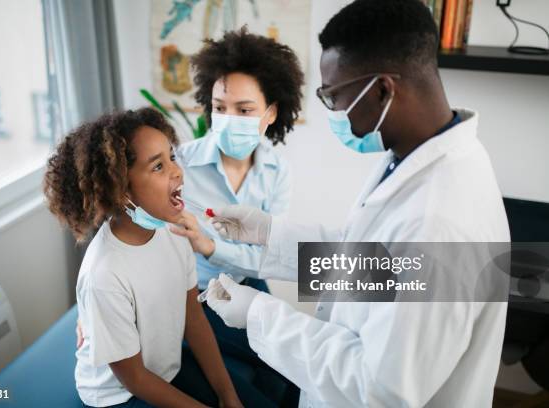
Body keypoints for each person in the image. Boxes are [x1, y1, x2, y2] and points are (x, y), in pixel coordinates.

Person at [203, 0, 510, 406]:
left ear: (383, 89)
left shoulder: (438, 223)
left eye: (334, 97)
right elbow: (378, 270)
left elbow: (381, 390)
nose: (334, 112)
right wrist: (268, 234)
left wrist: (259, 314)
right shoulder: (412, 157)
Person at [44, 108, 273, 407]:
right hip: (120, 395)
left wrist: (228, 395)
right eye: (157, 167)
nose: (177, 171)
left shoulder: (174, 233)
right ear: (119, 189)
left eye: (172, 158)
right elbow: (135, 379)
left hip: (165, 368)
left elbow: (194, 317)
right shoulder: (105, 274)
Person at [168, 27, 304, 405]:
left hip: (249, 281)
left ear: (271, 113)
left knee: (295, 375)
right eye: (219, 107)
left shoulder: (277, 172)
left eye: (244, 110)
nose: (229, 119)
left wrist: (214, 247)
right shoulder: (180, 165)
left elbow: (270, 256)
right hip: (194, 295)